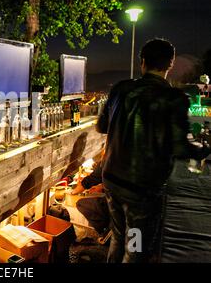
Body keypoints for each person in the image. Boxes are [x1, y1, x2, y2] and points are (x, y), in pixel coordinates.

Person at [97, 38, 210, 263]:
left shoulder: (121, 88)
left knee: (119, 237)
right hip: (141, 191)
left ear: (142, 62)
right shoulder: (173, 98)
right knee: (135, 246)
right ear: (170, 64)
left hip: (111, 180)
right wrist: (204, 150)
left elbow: (102, 126)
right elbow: (180, 147)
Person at [72, 164, 110, 237]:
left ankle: (105, 231)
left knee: (81, 203)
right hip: (129, 199)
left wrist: (73, 192)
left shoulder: (112, 156)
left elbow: (93, 178)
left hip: (120, 202)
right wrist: (101, 188)